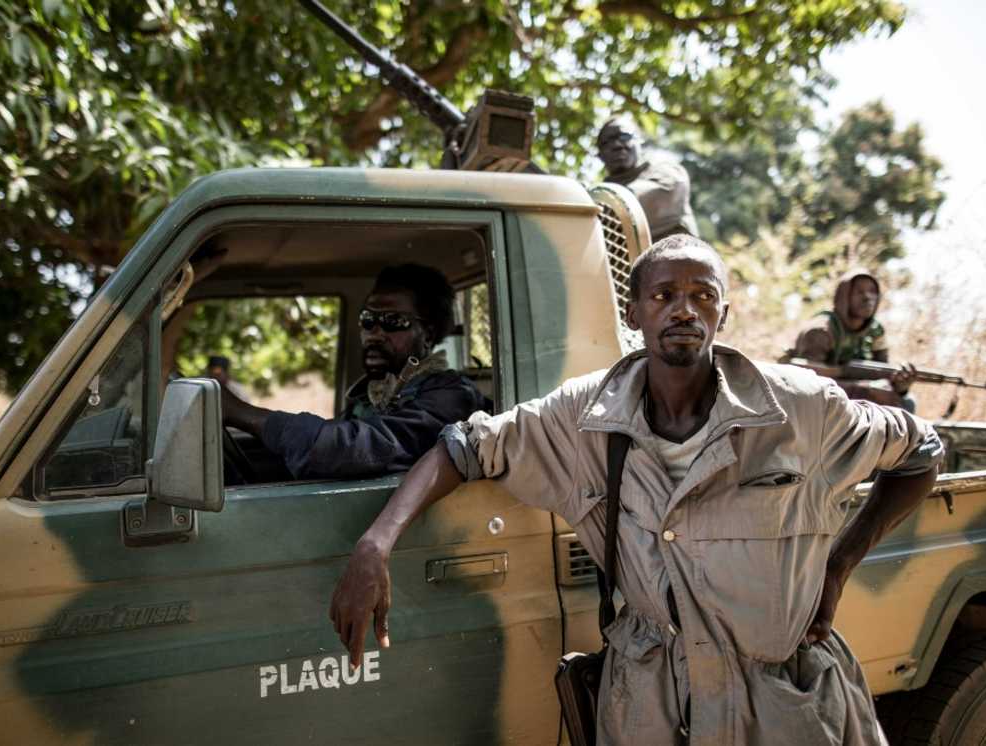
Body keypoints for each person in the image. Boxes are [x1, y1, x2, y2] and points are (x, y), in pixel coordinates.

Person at [329, 236, 943, 745]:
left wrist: (839, 565)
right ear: (634, 313)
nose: (685, 310)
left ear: (723, 315)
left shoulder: (801, 408)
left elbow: (922, 452)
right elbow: (465, 447)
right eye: (664, 295)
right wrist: (375, 545)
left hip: (785, 702)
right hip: (653, 704)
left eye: (703, 296)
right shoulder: (583, 416)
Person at [220, 263, 489, 480]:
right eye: (368, 320)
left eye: (393, 321)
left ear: (427, 334)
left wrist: (241, 413)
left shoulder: (451, 396)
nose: (375, 333)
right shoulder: (373, 394)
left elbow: (357, 449)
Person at [789, 268, 917, 409]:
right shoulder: (821, 330)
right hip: (823, 403)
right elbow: (806, 384)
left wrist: (899, 386)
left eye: (872, 291)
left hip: (857, 398)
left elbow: (882, 372)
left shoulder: (875, 331)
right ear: (844, 296)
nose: (868, 297)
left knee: (907, 402)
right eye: (859, 292)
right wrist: (864, 390)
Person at [597, 118, 699, 240]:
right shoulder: (599, 194)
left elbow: (658, 195)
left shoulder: (668, 173)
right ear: (600, 155)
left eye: (624, 136)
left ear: (640, 142)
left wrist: (602, 206)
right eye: (607, 142)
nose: (617, 145)